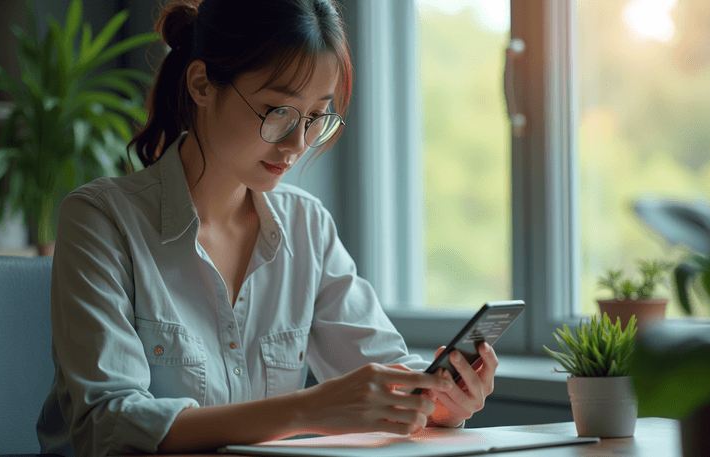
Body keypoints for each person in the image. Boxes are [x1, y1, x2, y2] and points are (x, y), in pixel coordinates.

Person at [36, 0, 499, 455]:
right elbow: (110, 423)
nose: (297, 144)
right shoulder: (101, 219)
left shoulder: (307, 227)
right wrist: (306, 411)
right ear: (201, 84)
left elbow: (386, 376)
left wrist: (440, 402)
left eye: (317, 117)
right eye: (277, 111)